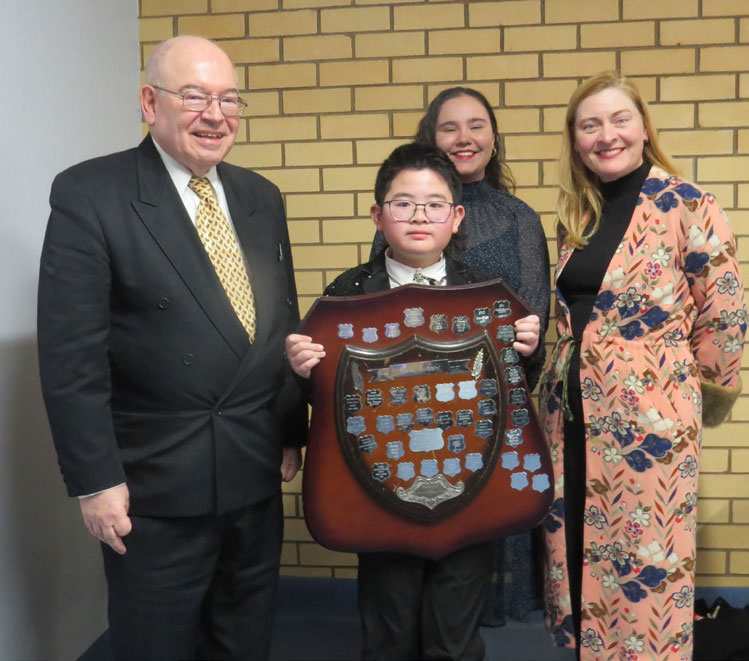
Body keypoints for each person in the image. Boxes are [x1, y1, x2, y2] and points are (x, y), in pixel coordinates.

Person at [37, 36, 306, 660]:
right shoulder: (90, 193)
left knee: (244, 640)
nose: (216, 114)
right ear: (148, 102)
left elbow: (279, 327)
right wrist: (95, 479)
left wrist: (292, 426)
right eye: (195, 96)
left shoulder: (261, 197)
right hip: (154, 486)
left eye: (228, 98)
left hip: (252, 469)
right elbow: (71, 355)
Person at [287, 143, 541, 661]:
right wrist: (299, 372)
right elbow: (324, 403)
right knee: (388, 634)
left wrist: (529, 353)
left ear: (456, 217)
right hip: (377, 488)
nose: (419, 216)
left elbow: (514, 397)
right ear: (378, 215)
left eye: (434, 204)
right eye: (403, 204)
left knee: (456, 638)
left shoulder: (488, 296)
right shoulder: (347, 297)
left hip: (470, 486)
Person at [539, 71, 745, 660]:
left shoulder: (687, 203)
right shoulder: (576, 215)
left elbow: (725, 316)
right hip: (572, 417)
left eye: (619, 119)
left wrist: (683, 396)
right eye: (590, 124)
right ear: (575, 139)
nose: (607, 135)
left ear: (643, 127)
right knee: (580, 549)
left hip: (649, 424)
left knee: (642, 563)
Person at [370, 86, 551, 626]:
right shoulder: (405, 212)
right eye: (450, 127)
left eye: (477, 125)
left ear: (494, 139)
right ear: (431, 136)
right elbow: (383, 311)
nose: (464, 138)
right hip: (414, 405)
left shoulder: (518, 218)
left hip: (490, 403)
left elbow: (532, 315)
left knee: (473, 568)